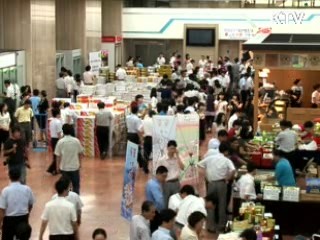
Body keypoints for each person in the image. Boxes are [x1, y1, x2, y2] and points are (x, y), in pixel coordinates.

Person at [197, 143, 236, 232]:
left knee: (210, 205)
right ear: (226, 151)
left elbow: (199, 165)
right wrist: (228, 178)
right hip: (222, 183)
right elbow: (233, 170)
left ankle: (210, 226)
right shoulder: (226, 160)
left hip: (211, 183)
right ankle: (221, 226)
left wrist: (206, 175)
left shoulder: (210, 158)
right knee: (222, 204)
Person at [0, 168, 34, 240]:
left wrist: (0, 222)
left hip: (9, 220)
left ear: (9, 176)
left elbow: (2, 209)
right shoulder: (27, 189)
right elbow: (31, 204)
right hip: (23, 218)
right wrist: (27, 213)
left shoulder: (5, 191)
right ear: (20, 176)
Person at [55, 124, 84, 194]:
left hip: (64, 168)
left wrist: (57, 167)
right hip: (75, 167)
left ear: (63, 131)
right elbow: (80, 153)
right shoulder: (76, 141)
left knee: (65, 186)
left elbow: (58, 155)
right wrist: (80, 163)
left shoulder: (60, 142)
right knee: (76, 186)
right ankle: (76, 200)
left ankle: (67, 199)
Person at [157, 140, 184, 207]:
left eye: (174, 148)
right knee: (166, 202)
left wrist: (177, 155)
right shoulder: (162, 160)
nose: (172, 150)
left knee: (177, 203)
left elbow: (182, 167)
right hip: (166, 183)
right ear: (167, 148)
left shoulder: (178, 158)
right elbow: (157, 172)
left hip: (176, 182)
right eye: (171, 148)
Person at [145, 166, 168, 233]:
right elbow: (159, 200)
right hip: (155, 212)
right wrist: (163, 211)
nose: (164, 179)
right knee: (155, 229)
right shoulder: (154, 185)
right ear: (157, 174)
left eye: (166, 177)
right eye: (163, 176)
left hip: (151, 209)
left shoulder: (151, 182)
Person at [126, 105, 149, 174]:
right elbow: (139, 130)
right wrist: (141, 138)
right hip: (135, 135)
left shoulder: (127, 117)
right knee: (137, 149)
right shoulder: (137, 119)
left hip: (129, 134)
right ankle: (141, 162)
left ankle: (132, 165)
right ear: (137, 111)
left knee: (131, 149)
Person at [47, 109, 63, 175]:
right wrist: (61, 141)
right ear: (57, 114)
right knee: (58, 155)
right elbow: (59, 133)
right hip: (57, 139)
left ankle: (54, 169)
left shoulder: (51, 122)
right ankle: (52, 169)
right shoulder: (58, 122)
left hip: (52, 139)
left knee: (55, 155)